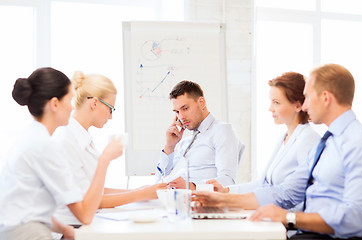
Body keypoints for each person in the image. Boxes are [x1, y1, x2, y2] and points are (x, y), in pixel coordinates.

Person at [192, 64, 362, 239]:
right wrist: (219, 200)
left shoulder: (358, 142)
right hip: (308, 233)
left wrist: (289, 218)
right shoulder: (328, 142)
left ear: (325, 98)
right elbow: (286, 193)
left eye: (307, 97)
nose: (305, 106)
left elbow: (357, 217)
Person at [0, 67, 123, 240]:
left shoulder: (31, 136)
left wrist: (63, 228)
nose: (72, 107)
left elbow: (28, 205)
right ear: (55, 104)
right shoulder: (45, 146)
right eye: (70, 99)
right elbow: (85, 214)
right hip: (28, 234)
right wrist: (105, 159)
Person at [53, 71, 166, 226]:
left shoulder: (82, 137)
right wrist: (140, 194)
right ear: (94, 103)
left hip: (84, 224)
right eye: (110, 109)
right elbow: (90, 201)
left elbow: (95, 190)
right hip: (71, 228)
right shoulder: (67, 140)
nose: (111, 116)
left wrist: (142, 191)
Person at [208, 72, 320, 195]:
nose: (270, 108)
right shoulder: (283, 139)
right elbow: (263, 183)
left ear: (298, 105)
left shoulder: (309, 140)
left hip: (289, 212)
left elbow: (306, 192)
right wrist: (226, 190)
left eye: (276, 102)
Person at [155, 80, 243, 189]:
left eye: (185, 108)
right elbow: (160, 181)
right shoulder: (185, 143)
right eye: (177, 112)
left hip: (196, 201)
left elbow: (228, 180)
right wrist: (169, 147)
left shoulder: (222, 131)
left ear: (201, 102)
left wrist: (192, 187)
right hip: (172, 199)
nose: (181, 117)